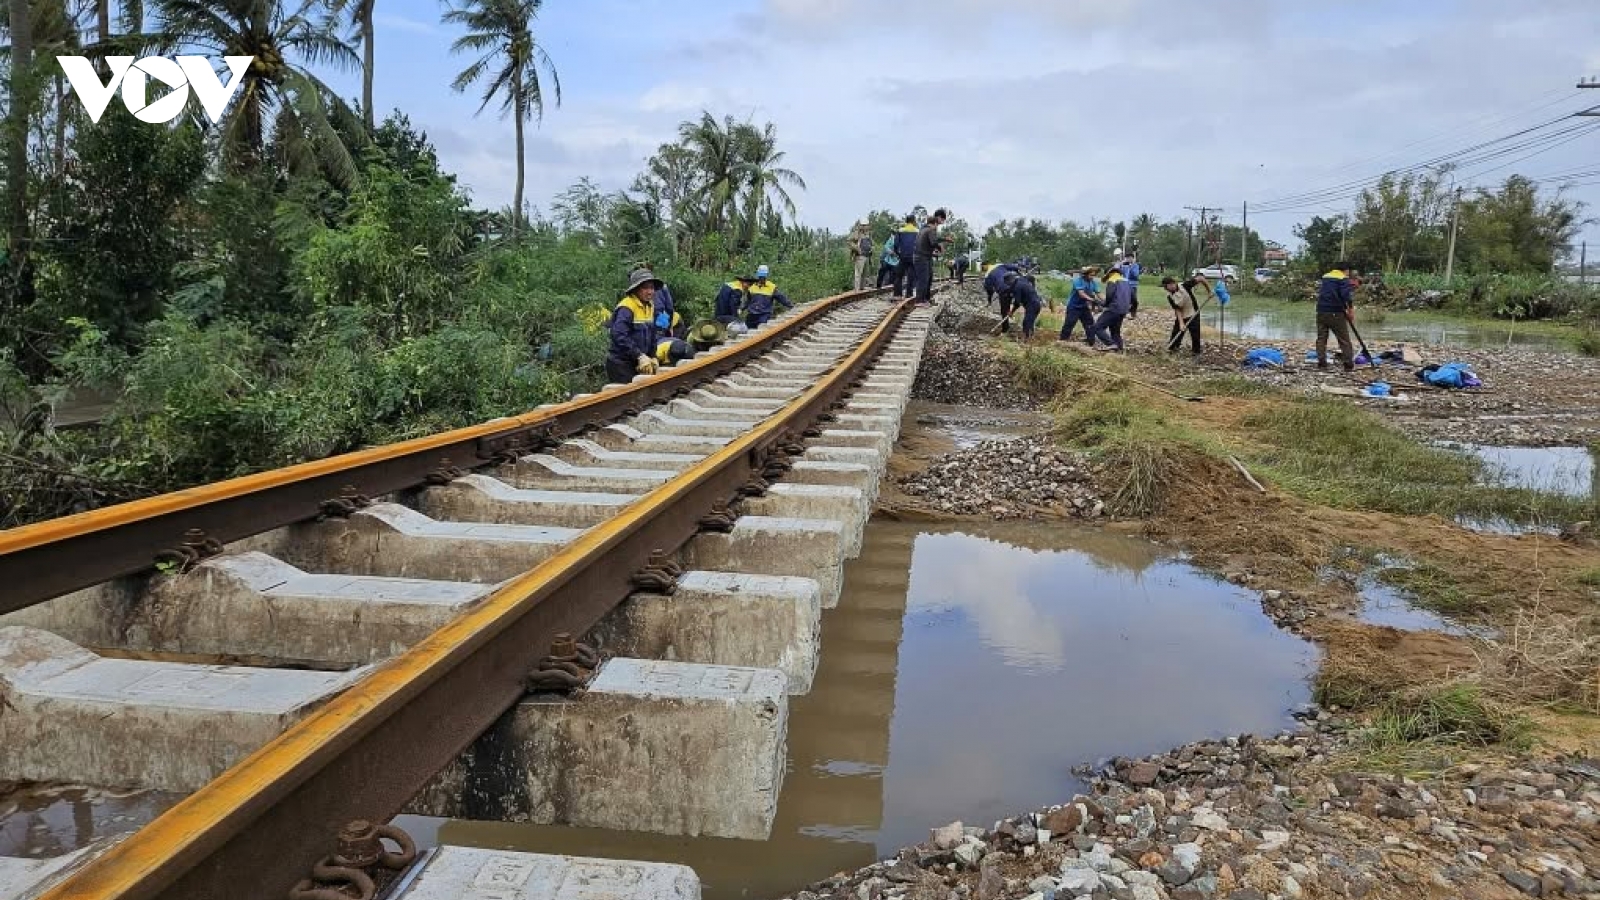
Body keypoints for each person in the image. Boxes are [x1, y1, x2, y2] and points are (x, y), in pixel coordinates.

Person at [608, 267, 663, 383]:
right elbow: (619, 335)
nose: (650, 291)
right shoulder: (626, 308)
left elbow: (653, 334)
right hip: (622, 364)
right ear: (636, 289)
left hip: (639, 362)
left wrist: (653, 356)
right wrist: (639, 355)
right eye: (645, 288)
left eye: (652, 288)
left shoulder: (650, 306)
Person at [1316, 260, 1356, 371]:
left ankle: (1321, 362)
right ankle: (1348, 364)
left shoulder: (1325, 277)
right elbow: (1346, 296)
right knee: (1343, 339)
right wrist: (1350, 310)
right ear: (1346, 270)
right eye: (1348, 271)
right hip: (1336, 312)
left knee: (1321, 338)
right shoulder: (1343, 279)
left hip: (1321, 310)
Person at [1088, 266, 1133, 351]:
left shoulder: (1112, 280)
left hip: (1114, 309)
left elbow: (1109, 295)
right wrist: (1133, 310)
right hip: (1123, 310)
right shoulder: (1127, 281)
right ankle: (1120, 349)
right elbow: (1134, 298)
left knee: (1097, 327)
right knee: (1115, 331)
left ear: (1109, 274)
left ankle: (1111, 344)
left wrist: (1105, 304)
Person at [913, 208, 947, 305]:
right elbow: (934, 242)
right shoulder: (930, 230)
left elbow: (927, 244)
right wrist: (940, 248)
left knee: (928, 277)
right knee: (923, 279)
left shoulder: (924, 229)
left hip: (923, 257)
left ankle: (925, 299)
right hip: (921, 258)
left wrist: (934, 253)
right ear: (934, 223)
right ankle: (919, 301)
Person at [743, 264, 792, 328]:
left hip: (764, 315)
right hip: (752, 315)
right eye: (760, 276)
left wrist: (791, 306)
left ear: (766, 276)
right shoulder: (752, 286)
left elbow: (781, 298)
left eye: (763, 277)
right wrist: (741, 308)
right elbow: (748, 301)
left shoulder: (771, 287)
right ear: (758, 275)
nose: (761, 278)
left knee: (761, 332)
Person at [1059, 265, 1100, 343]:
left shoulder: (1093, 283)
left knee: (1090, 323)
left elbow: (1099, 293)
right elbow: (1081, 294)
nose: (1092, 277)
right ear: (1085, 274)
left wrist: (1105, 301)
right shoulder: (1078, 281)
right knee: (1070, 323)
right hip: (1074, 306)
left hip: (1084, 306)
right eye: (1091, 275)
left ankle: (1091, 340)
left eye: (1094, 275)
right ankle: (1063, 340)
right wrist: (1092, 299)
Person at [1162, 276, 1202, 355]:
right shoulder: (1170, 297)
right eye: (1165, 287)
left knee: (1195, 334)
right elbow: (1177, 310)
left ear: (1172, 284)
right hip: (1182, 315)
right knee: (1177, 332)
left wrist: (1209, 291)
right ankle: (1173, 348)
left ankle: (1196, 352)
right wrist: (1181, 323)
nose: (1166, 289)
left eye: (1167, 286)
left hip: (1193, 313)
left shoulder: (1185, 285)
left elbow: (1201, 278)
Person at [1009, 272, 1045, 340]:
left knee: (1026, 322)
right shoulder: (1021, 280)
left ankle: (1026, 339)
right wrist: (1033, 286)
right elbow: (1031, 277)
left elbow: (1017, 302)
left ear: (1010, 281)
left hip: (1033, 305)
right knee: (1029, 322)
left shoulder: (1017, 287)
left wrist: (1012, 312)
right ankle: (1029, 337)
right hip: (1035, 304)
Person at [891, 215, 919, 298]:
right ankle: (909, 294)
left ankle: (897, 294)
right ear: (913, 221)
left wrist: (898, 254)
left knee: (899, 275)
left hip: (903, 256)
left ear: (906, 221)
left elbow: (895, 244)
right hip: (913, 256)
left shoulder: (900, 231)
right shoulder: (917, 231)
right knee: (911, 275)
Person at [848, 220, 873, 291]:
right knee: (858, 273)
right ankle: (857, 289)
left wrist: (872, 248)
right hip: (860, 256)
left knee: (864, 273)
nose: (867, 226)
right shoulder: (856, 233)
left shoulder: (868, 234)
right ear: (862, 226)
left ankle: (862, 287)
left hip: (867, 256)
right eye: (865, 225)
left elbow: (871, 242)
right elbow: (849, 241)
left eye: (867, 225)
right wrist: (857, 248)